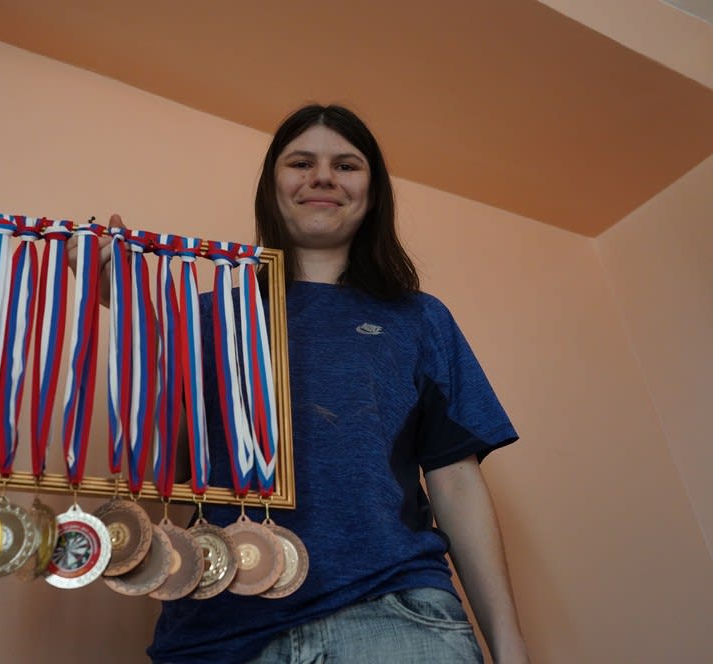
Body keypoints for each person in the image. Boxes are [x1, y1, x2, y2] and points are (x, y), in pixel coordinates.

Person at [85, 104, 529, 663]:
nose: (322, 177)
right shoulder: (203, 316)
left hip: (394, 617)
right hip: (219, 630)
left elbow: (456, 483)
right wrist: (134, 321)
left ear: (373, 193)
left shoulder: (419, 318)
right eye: (301, 163)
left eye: (346, 165)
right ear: (272, 189)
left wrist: (509, 645)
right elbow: (164, 469)